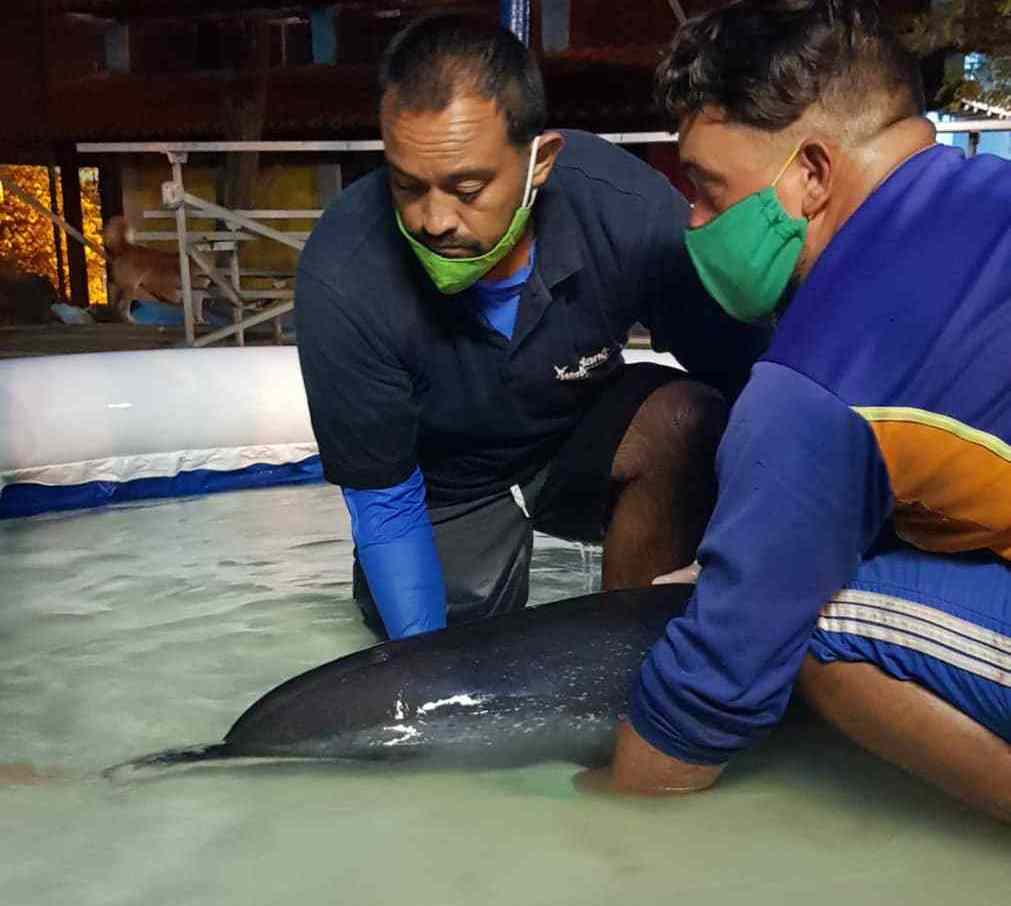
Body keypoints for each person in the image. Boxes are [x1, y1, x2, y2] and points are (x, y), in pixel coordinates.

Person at [592, 0, 1011, 823]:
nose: (694, 222)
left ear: (811, 173)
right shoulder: (984, 199)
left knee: (809, 623)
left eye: (709, 190)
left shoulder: (820, 375)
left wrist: (607, 824)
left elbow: (712, 687)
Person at [295, 15, 767, 640]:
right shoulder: (343, 274)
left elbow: (752, 378)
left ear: (540, 161)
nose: (434, 220)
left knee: (688, 418)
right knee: (443, 660)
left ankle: (628, 650)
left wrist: (758, 557)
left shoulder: (621, 210)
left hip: (573, 443)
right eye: (408, 187)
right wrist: (428, 664)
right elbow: (384, 502)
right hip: (444, 488)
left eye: (468, 187)